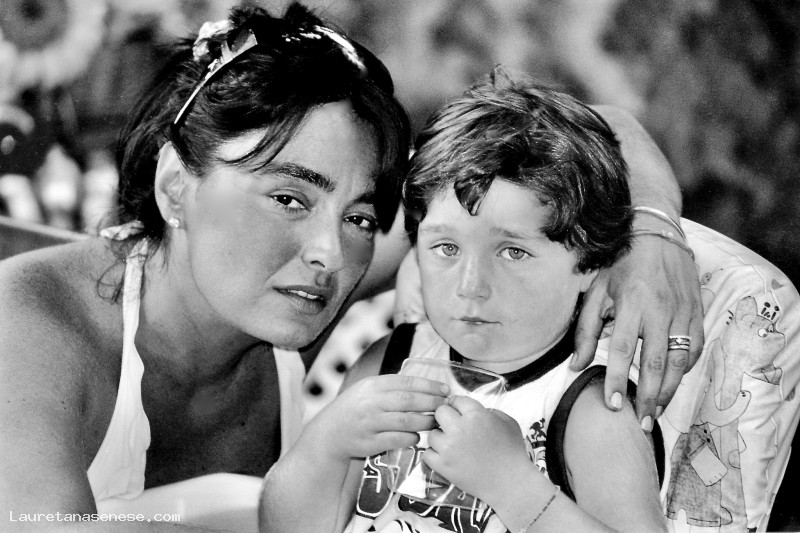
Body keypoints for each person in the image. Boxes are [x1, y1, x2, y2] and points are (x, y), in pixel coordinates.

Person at [0, 3, 701, 531]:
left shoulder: (297, 291)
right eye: (288, 197)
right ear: (175, 187)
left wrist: (652, 233)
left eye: (361, 217)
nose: (331, 255)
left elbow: (587, 130)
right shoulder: (27, 325)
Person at [261, 69, 800, 533]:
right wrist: (326, 444)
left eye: (513, 252)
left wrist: (516, 489)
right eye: (445, 248)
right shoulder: (388, 364)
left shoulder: (588, 411)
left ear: (589, 263)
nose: (471, 284)